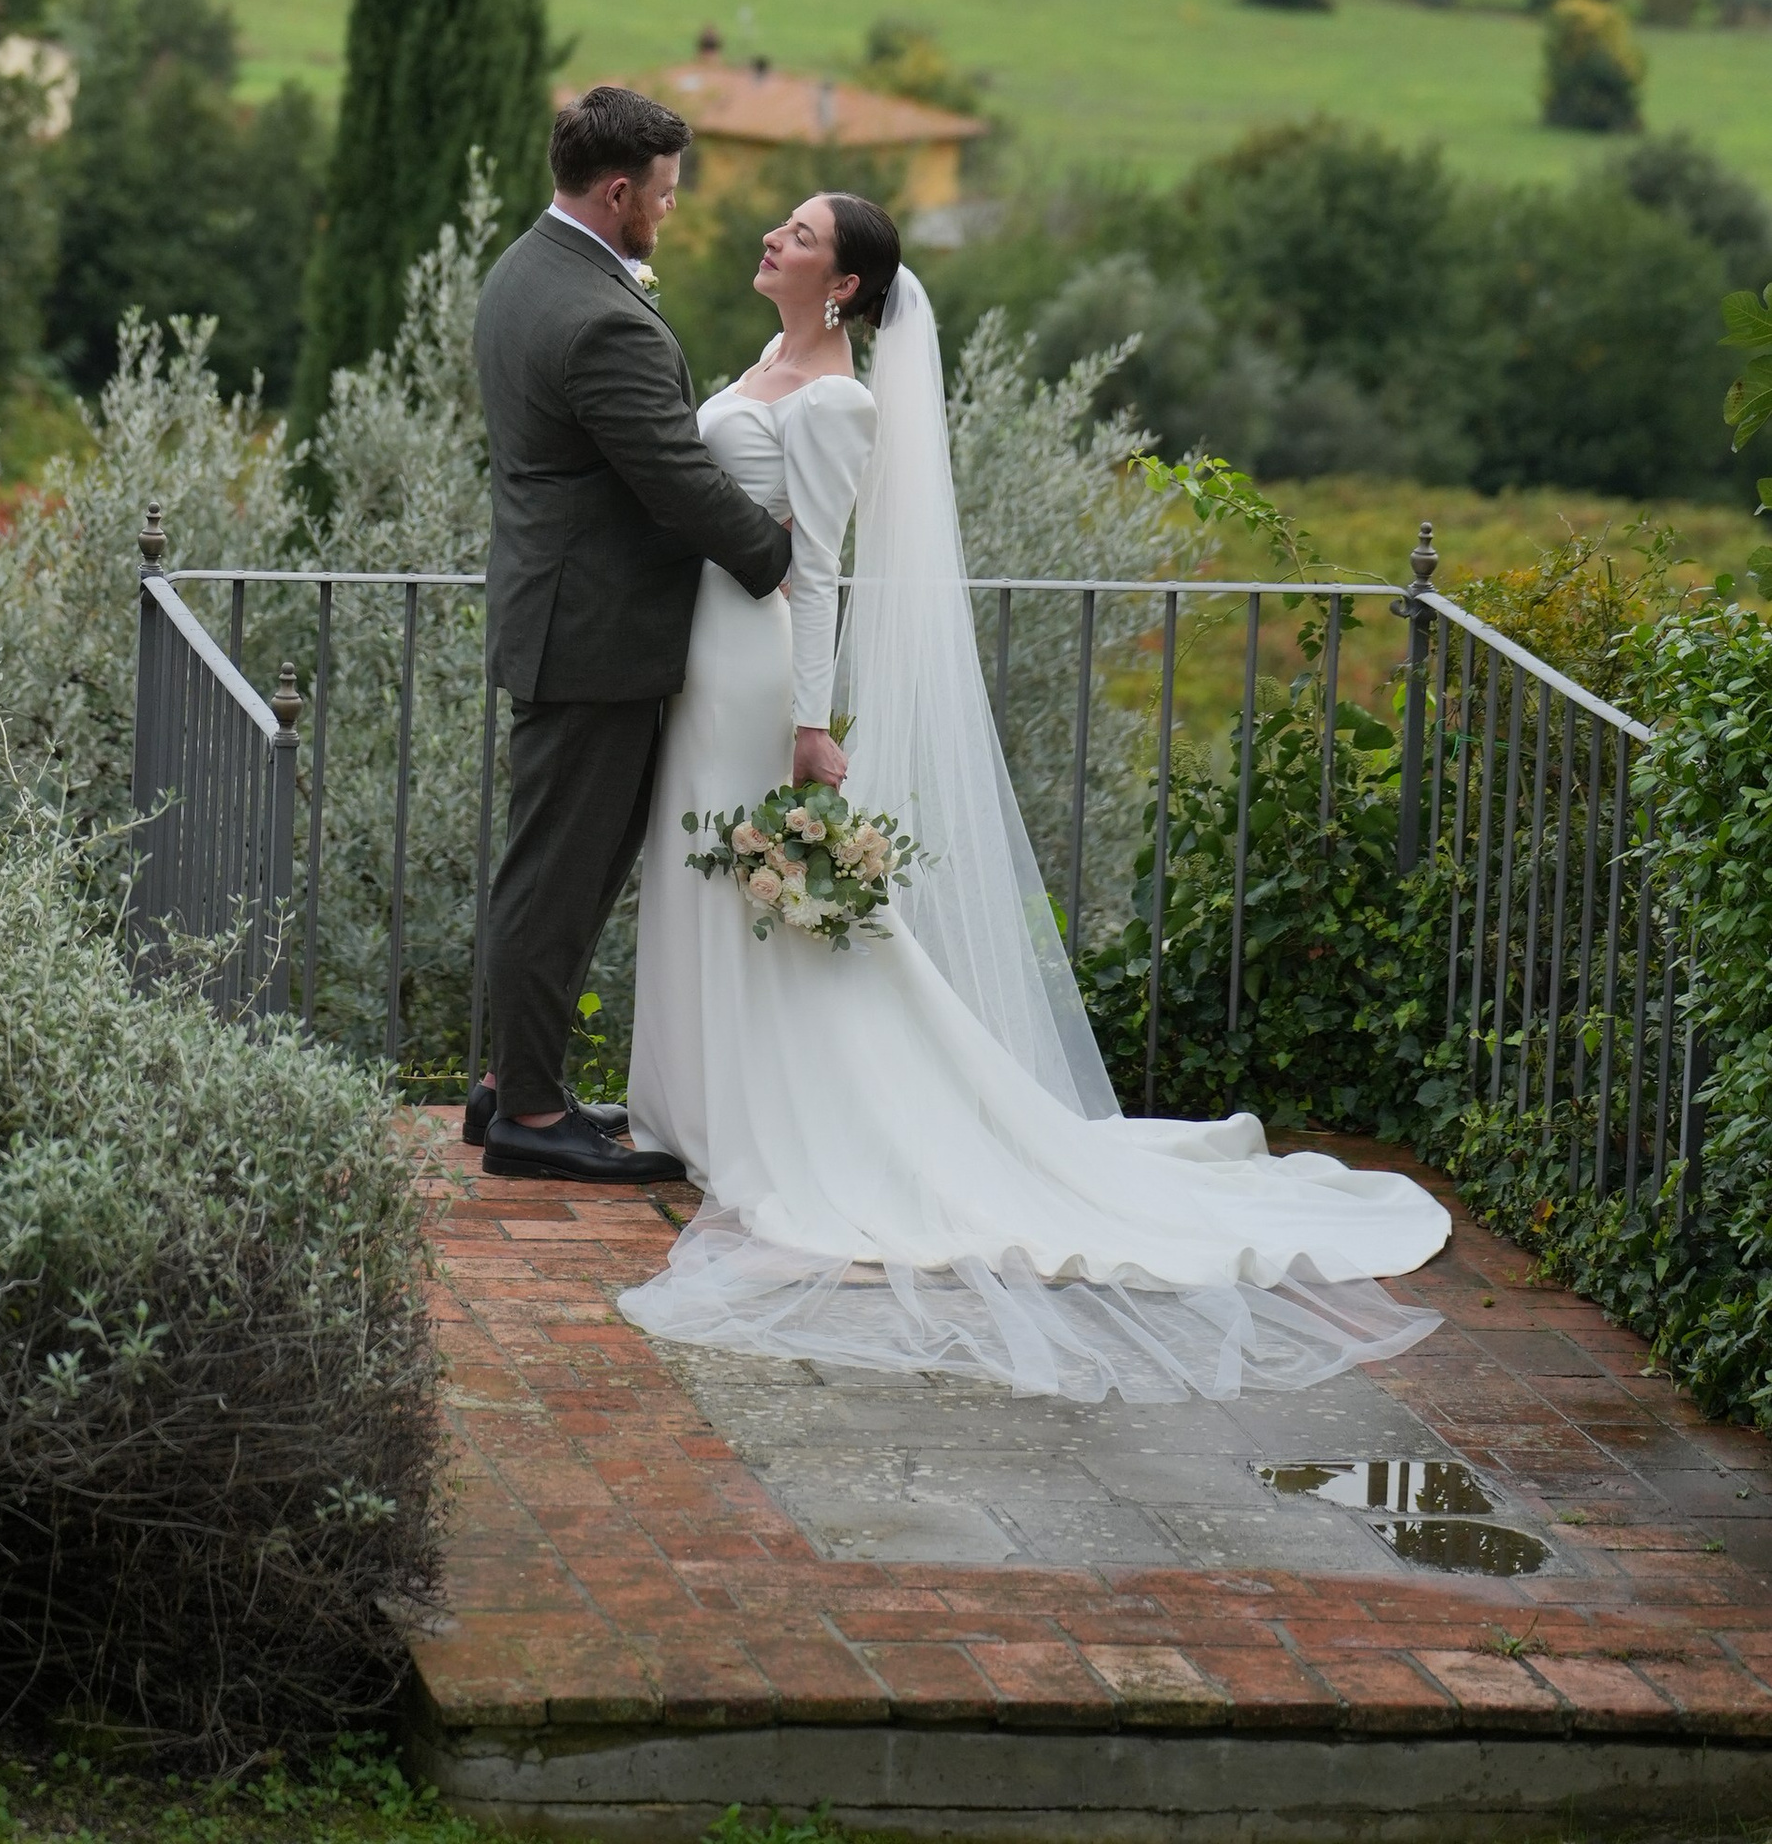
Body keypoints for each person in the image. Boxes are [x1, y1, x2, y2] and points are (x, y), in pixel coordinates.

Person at [619, 190, 1452, 1399]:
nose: (771, 240)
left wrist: (808, 724)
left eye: (798, 236)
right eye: (785, 228)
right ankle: (693, 1106)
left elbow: (818, 573)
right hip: (702, 661)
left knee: (753, 885)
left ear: (843, 285)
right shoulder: (766, 360)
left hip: (753, 675)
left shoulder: (842, 398)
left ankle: (783, 1118)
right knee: (706, 879)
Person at [470, 82, 795, 1186]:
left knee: (551, 869)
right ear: (616, 193)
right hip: (594, 631)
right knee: (559, 879)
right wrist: (774, 554)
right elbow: (674, 482)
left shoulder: (527, 268)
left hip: (563, 614)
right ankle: (529, 1114)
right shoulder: (600, 314)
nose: (670, 210)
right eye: (661, 194)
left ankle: (510, 1083)